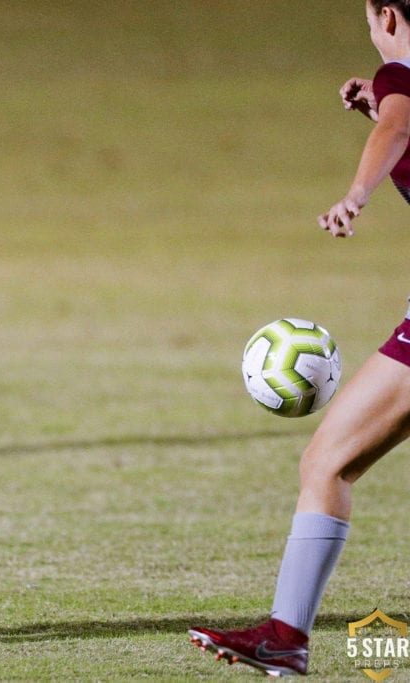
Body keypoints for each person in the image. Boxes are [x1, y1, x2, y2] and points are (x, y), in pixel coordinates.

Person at [188, 0, 410, 676]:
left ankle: (287, 635)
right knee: (326, 462)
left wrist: (355, 193)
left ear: (390, 18)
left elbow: (400, 125)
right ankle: (284, 635)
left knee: (326, 463)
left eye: (371, 22)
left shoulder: (400, 74)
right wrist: (380, 103)